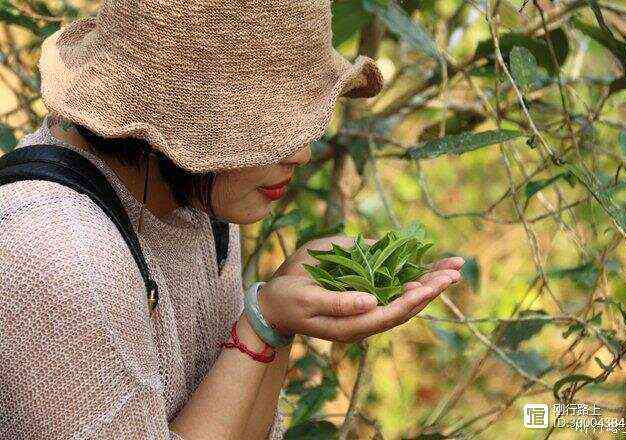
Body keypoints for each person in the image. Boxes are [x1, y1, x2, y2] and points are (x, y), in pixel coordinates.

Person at [0, 1, 464, 439]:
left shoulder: (193, 193)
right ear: (190, 127)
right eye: (271, 131)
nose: (301, 154)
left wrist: (273, 320)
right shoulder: (60, 257)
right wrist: (262, 321)